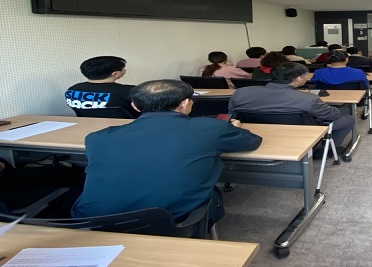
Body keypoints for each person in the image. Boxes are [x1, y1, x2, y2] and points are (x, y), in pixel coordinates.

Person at [71, 80, 262, 224]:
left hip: (93, 221)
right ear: (185, 103)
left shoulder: (97, 137)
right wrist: (233, 127)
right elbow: (252, 141)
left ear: (135, 106)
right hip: (174, 220)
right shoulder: (210, 128)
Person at [228, 62, 355, 152]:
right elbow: (334, 115)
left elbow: (233, 116)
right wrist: (335, 109)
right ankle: (325, 151)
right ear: (299, 78)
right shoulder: (308, 98)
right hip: (301, 134)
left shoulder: (241, 93)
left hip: (257, 132)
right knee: (348, 118)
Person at [65, 56, 138, 117]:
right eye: (123, 68)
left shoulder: (72, 90)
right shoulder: (131, 91)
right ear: (115, 73)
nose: (125, 70)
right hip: (126, 126)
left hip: (86, 126)